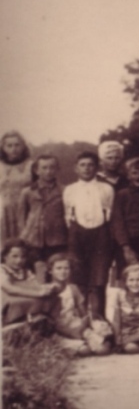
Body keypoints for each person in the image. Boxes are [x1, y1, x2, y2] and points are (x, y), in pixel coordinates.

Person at [63, 151, 115, 314]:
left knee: (99, 281)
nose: (86, 169)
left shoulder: (106, 188)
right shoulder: (69, 190)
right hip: (77, 236)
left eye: (91, 165)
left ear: (97, 167)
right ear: (76, 168)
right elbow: (68, 216)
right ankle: (82, 318)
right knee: (78, 280)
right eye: (83, 165)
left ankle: (99, 319)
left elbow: (109, 215)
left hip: (100, 236)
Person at [48, 253, 111, 356]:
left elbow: (84, 314)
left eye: (66, 268)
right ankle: (77, 346)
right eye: (58, 268)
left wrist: (84, 327)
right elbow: (49, 320)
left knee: (103, 350)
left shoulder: (73, 288)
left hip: (76, 327)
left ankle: (104, 341)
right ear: (51, 271)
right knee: (84, 351)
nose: (63, 272)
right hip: (59, 332)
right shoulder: (47, 290)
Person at [18, 154, 68, 282]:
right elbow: (22, 217)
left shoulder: (64, 191)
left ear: (57, 169)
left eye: (52, 167)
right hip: (33, 241)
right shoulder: (27, 191)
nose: (48, 171)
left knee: (56, 274)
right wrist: (24, 237)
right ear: (36, 170)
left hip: (57, 240)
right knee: (37, 274)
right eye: (44, 168)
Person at [1, 240, 58, 325]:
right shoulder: (2, 270)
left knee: (52, 299)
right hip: (6, 311)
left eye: (23, 257)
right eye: (14, 256)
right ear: (5, 256)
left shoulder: (25, 272)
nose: (19, 260)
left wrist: (48, 288)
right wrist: (38, 293)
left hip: (22, 307)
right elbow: (9, 289)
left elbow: (36, 285)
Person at [1, 130, 33, 241]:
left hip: (25, 210)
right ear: (3, 147)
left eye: (17, 145)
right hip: (3, 211)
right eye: (9, 145)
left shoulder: (31, 165)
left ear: (23, 146)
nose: (13, 149)